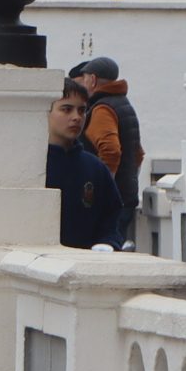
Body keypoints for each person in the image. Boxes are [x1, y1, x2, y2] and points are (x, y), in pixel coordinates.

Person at [69, 56, 143, 248]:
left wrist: (104, 188)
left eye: (85, 78)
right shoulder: (123, 104)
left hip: (112, 201)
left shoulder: (102, 108)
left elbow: (110, 151)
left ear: (92, 80)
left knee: (104, 248)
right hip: (127, 196)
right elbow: (138, 154)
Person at [45, 80, 120, 250]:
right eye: (66, 109)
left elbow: (111, 219)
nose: (76, 117)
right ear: (47, 112)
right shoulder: (31, 166)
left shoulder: (95, 168)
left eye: (82, 110)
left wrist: (108, 244)